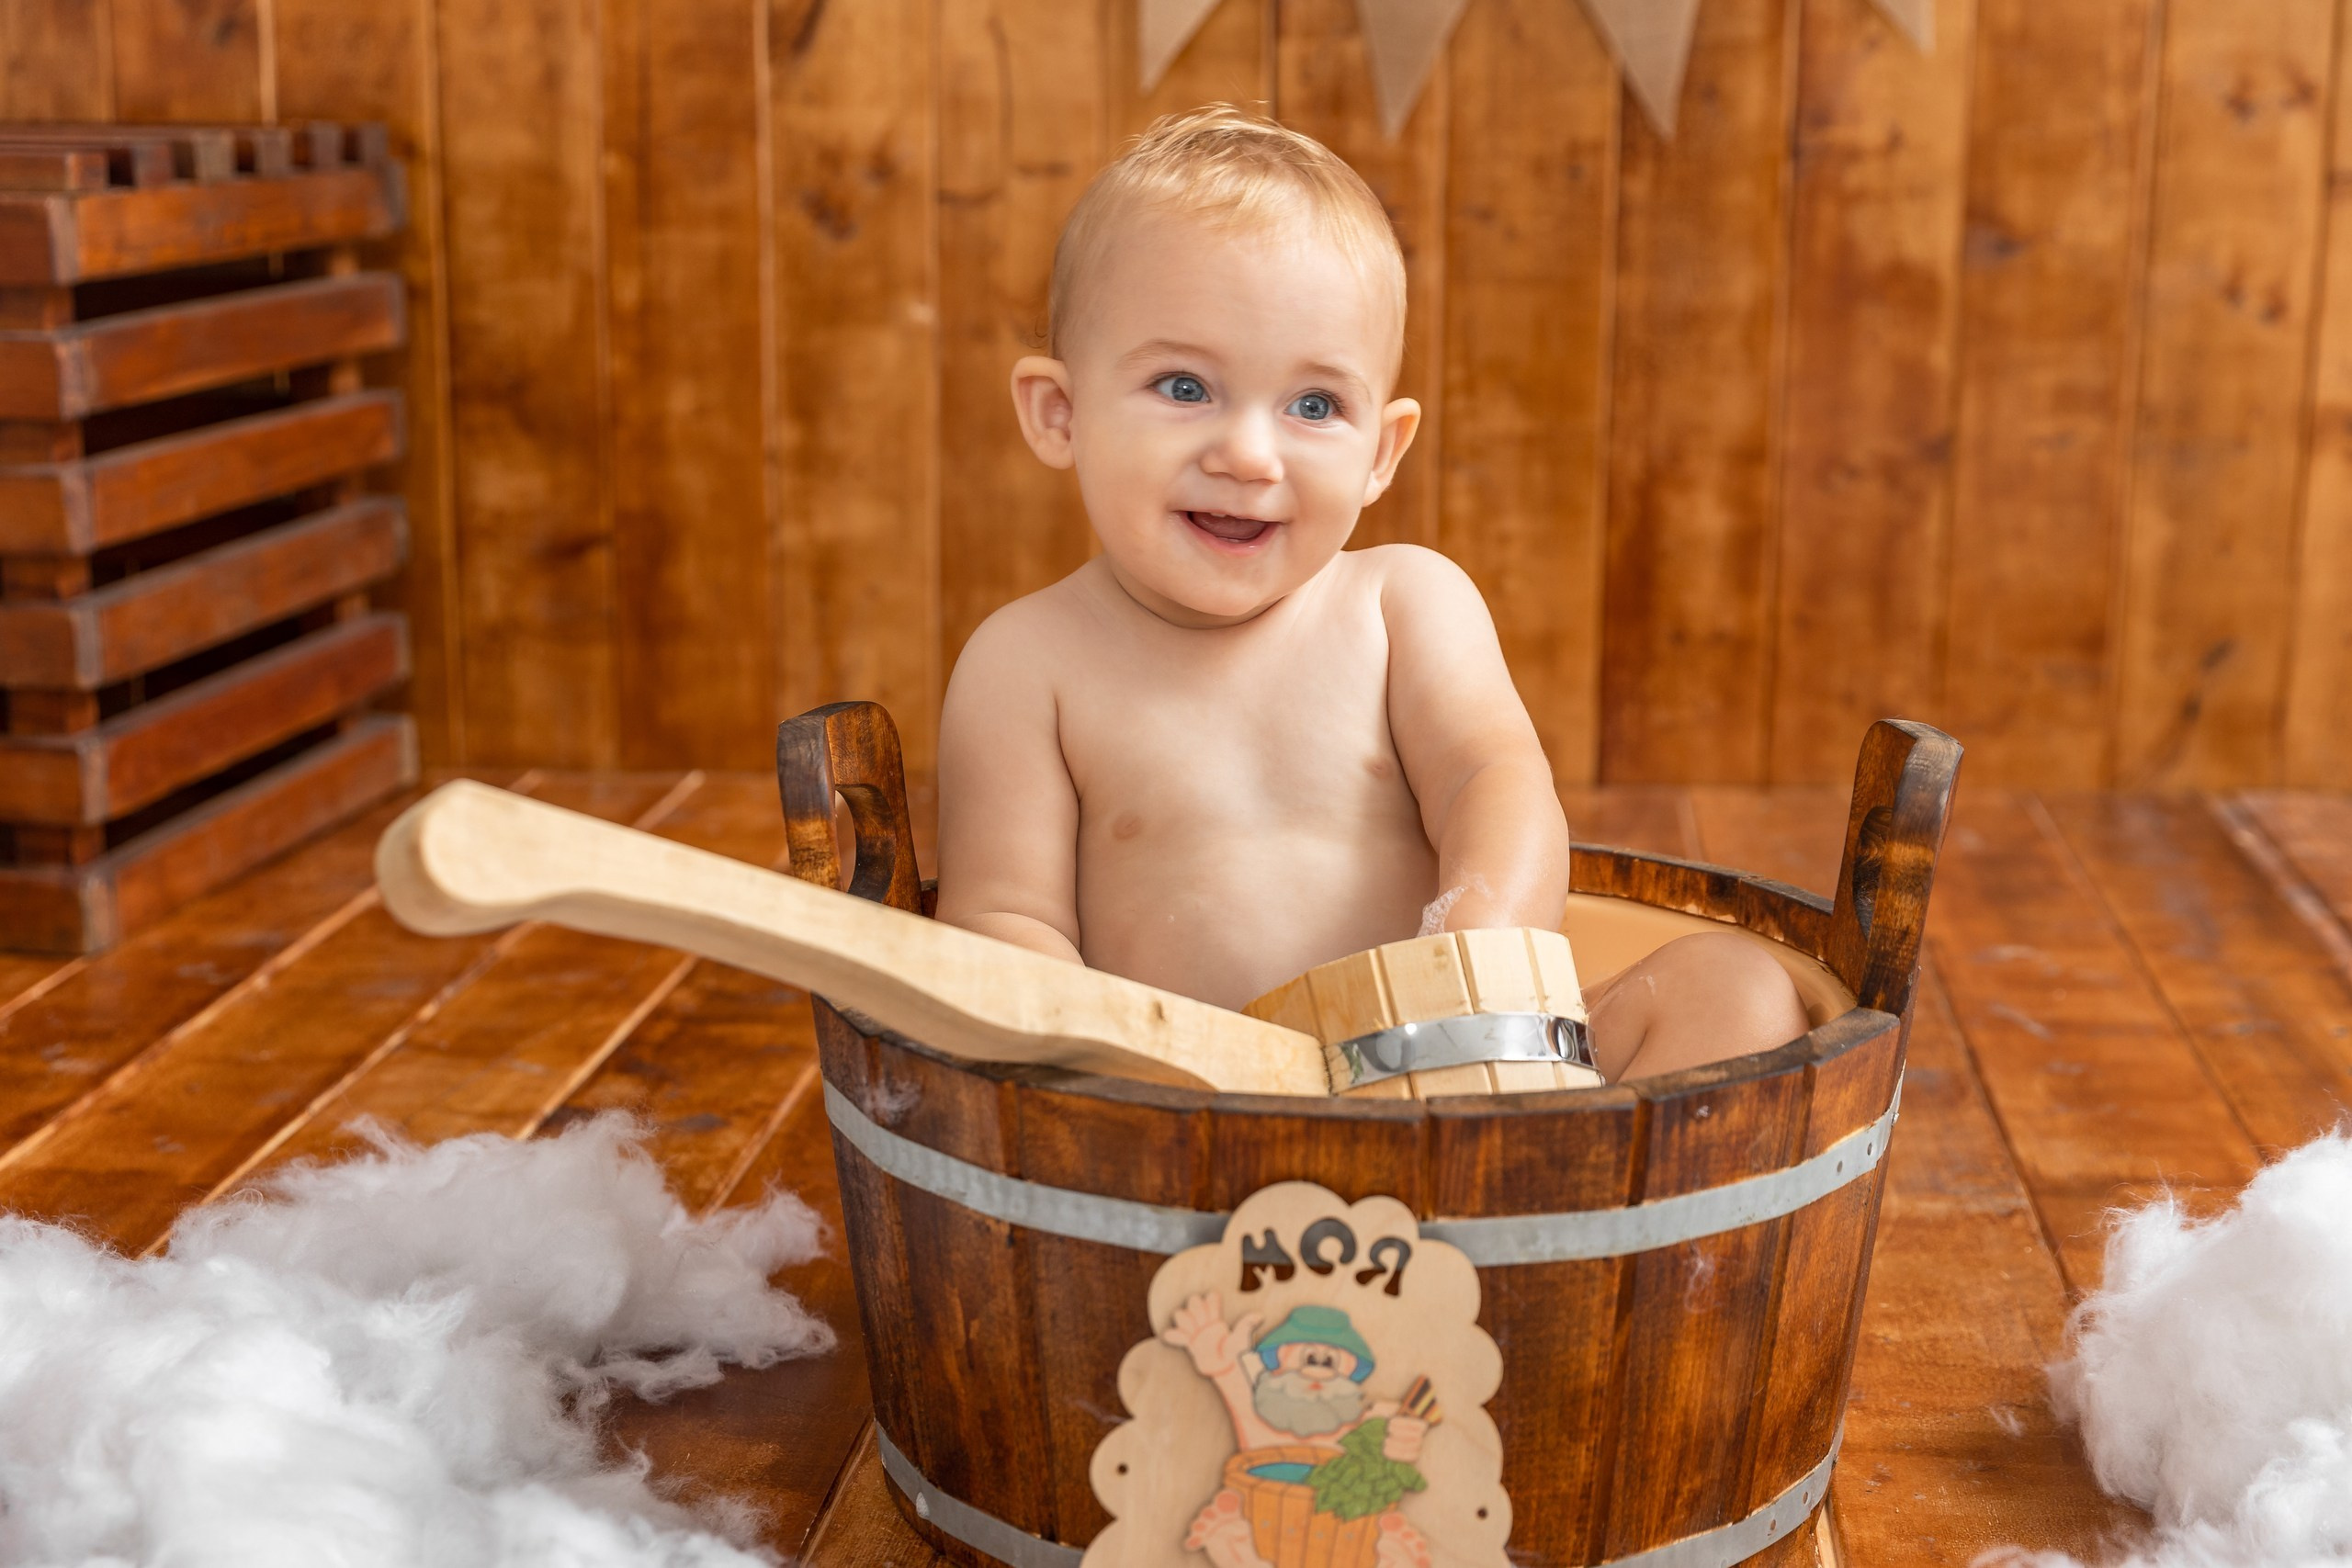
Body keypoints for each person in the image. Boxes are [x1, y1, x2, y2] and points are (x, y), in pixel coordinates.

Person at [933, 106, 1804, 1082]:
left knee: (1737, 985)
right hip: (1195, 1108)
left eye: (1314, 405)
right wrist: (1130, 1067)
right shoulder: (1025, 665)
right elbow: (1002, 921)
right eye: (1184, 387)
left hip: (1461, 1061)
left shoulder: (1402, 607)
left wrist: (1475, 945)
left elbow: (1496, 783)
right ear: (1060, 414)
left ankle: (1565, 1172)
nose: (1249, 455)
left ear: (1382, 451)